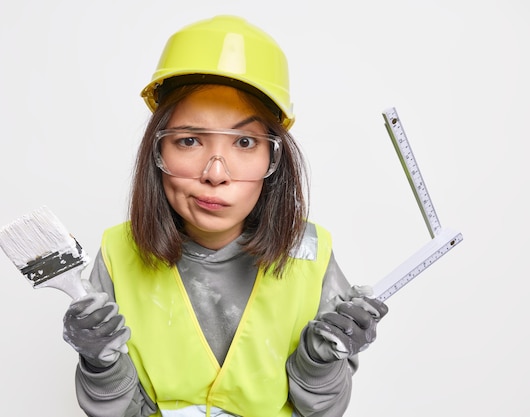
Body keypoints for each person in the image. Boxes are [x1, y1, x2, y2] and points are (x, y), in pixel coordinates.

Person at [62, 15, 388, 417]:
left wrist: (320, 362)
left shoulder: (311, 255)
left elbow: (323, 411)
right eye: (189, 140)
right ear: (157, 153)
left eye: (245, 142)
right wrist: (100, 366)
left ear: (275, 158)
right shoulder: (117, 253)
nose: (216, 173)